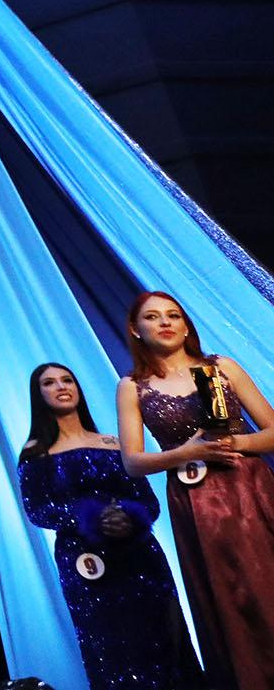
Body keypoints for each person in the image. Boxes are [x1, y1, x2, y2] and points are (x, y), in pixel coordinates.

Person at [116, 290, 274, 687]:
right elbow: (132, 462)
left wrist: (236, 442)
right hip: (196, 502)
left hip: (249, 489)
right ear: (135, 329)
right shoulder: (132, 386)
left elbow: (272, 431)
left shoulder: (221, 367)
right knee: (229, 599)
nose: (165, 322)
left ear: (186, 326)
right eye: (152, 317)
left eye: (173, 315)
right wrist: (185, 453)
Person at [18, 361, 202, 689]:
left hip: (140, 557)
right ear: (37, 394)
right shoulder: (35, 453)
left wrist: (129, 517)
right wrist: (89, 518)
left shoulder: (114, 444)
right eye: (49, 382)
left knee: (166, 638)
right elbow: (38, 510)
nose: (61, 387)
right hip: (85, 563)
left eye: (67, 380)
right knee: (111, 647)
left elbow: (149, 503)